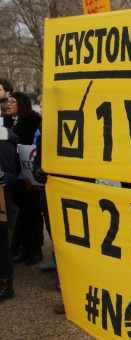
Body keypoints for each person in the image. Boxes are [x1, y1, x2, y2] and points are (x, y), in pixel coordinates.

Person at [6, 92, 44, 266]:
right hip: (17, 176)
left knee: (33, 214)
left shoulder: (31, 122)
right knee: (21, 215)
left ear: (21, 103)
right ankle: (25, 248)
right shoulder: (10, 122)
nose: (8, 104)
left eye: (12, 101)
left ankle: (35, 249)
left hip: (30, 176)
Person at [0, 126, 20, 302]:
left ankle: (6, 285)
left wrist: (1, 176)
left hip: (0, 203)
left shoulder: (3, 141)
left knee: (0, 244)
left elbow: (12, 176)